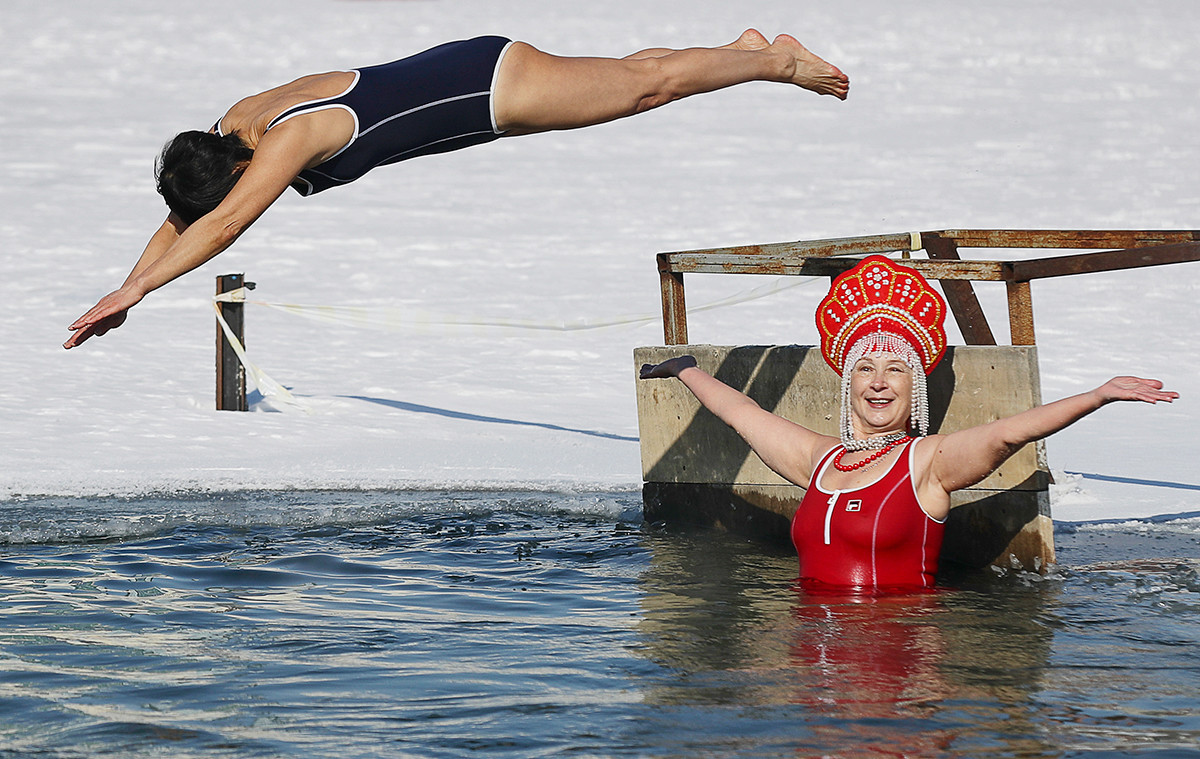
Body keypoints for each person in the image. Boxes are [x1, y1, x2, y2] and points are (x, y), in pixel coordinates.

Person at [63, 30, 849, 349]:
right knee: (627, 78)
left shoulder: (287, 138)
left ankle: (772, 60)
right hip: (472, 79)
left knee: (644, 90)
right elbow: (189, 215)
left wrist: (138, 292)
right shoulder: (230, 127)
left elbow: (225, 226)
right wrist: (126, 287)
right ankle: (738, 50)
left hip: (487, 88)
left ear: (234, 168)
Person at [639, 255, 1178, 591]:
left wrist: (1098, 396)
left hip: (899, 657)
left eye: (895, 369)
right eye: (866, 369)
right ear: (847, 382)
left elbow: (1010, 431)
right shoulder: (818, 460)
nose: (879, 382)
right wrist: (685, 370)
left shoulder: (927, 465)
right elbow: (743, 413)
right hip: (814, 659)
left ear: (913, 386)